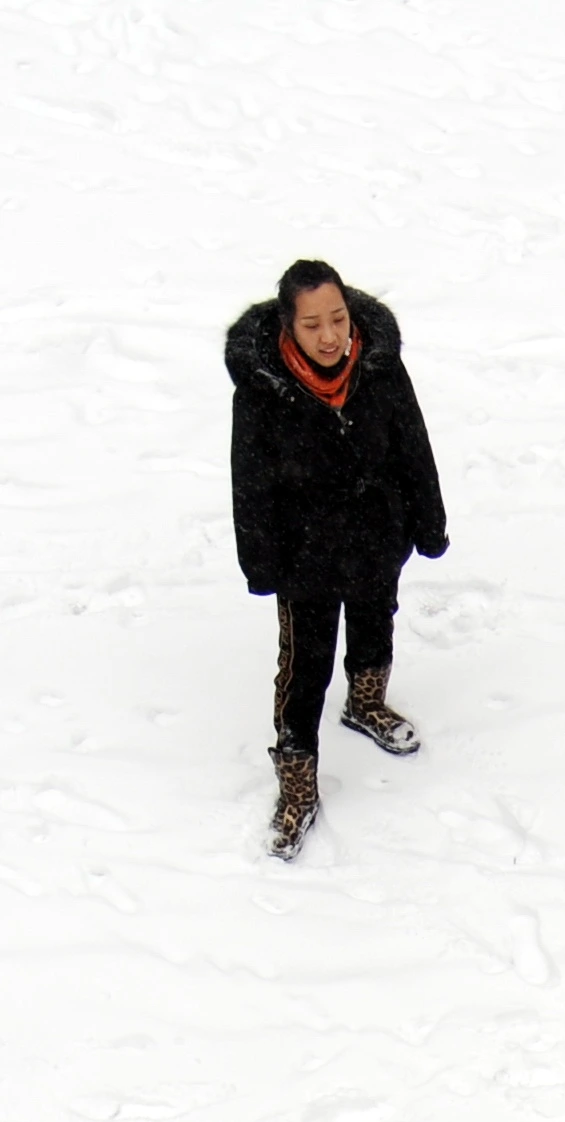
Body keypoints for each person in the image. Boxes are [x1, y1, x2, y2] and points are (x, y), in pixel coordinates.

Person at [225, 260, 449, 858]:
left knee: (377, 624)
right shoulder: (262, 391)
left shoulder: (378, 367)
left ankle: (366, 703)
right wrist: (262, 562)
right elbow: (249, 480)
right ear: (287, 327)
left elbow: (413, 444)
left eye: (338, 319)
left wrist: (427, 522)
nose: (330, 336)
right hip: (306, 557)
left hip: (378, 538)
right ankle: (297, 784)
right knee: (304, 669)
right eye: (313, 324)